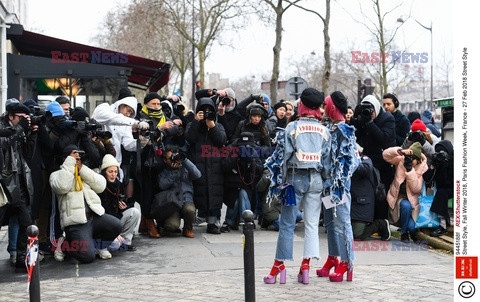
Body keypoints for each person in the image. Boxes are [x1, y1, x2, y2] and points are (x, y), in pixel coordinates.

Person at [264, 88, 331, 285]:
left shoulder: (292, 128)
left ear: (301, 105)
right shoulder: (325, 130)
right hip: (317, 180)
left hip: (294, 179)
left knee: (287, 224)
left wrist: (282, 182)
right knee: (311, 225)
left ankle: (278, 266)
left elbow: (284, 158)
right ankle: (305, 267)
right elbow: (327, 162)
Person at [49, 145, 122, 263]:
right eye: (73, 158)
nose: (76, 161)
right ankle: (64, 245)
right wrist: (69, 164)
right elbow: (62, 187)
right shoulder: (56, 175)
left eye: (78, 158)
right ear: (65, 159)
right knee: (87, 257)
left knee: (116, 225)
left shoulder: (84, 171)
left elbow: (101, 185)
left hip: (94, 217)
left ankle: (99, 246)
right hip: (76, 223)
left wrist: (82, 168)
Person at [317, 91, 360, 282]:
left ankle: (347, 261)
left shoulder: (345, 131)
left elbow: (353, 161)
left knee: (342, 223)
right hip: (328, 187)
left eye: (326, 105)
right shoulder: (329, 129)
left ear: (332, 107)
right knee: (330, 223)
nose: (324, 108)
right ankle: (334, 257)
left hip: (339, 188)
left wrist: (339, 180)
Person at [0, 101, 37, 269]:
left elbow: (28, 154)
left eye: (26, 118)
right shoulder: (2, 127)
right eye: (21, 118)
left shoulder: (20, 129)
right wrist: (21, 128)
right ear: (11, 116)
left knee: (26, 221)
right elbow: (5, 142)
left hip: (19, 184)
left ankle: (22, 256)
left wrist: (31, 135)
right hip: (4, 185)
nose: (24, 121)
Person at [185, 97, 227, 234]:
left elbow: (221, 141)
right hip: (198, 166)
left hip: (215, 168)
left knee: (214, 194)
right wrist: (196, 122)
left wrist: (212, 126)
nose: (207, 113)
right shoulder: (193, 124)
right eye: (204, 111)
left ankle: (212, 223)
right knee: (198, 193)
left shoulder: (218, 126)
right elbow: (189, 139)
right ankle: (190, 222)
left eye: (210, 111)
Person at [352, 95, 396, 220]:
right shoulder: (363, 117)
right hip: (368, 160)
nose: (369, 113)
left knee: (380, 193)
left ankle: (381, 222)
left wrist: (370, 123)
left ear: (376, 108)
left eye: (370, 109)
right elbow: (356, 137)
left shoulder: (388, 118)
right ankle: (369, 221)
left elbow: (384, 139)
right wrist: (356, 119)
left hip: (383, 162)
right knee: (368, 192)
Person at [382, 142, 428, 242]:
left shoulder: (423, 168)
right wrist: (401, 151)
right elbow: (385, 155)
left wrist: (410, 170)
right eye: (409, 158)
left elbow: (416, 188)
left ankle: (409, 231)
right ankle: (403, 233)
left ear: (418, 159)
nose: (410, 161)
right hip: (398, 197)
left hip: (414, 202)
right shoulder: (401, 161)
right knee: (405, 205)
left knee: (412, 228)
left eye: (413, 159)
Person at [220, 132, 264, 232]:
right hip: (232, 185)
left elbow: (260, 168)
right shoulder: (231, 149)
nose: (245, 148)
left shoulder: (254, 151)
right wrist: (235, 156)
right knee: (235, 200)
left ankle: (246, 221)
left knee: (243, 194)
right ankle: (232, 221)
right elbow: (224, 166)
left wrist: (251, 161)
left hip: (247, 185)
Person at [157, 145, 201, 238]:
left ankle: (188, 228)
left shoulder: (185, 167)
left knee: (190, 210)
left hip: (186, 198)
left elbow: (197, 175)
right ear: (165, 160)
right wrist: (173, 172)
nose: (174, 160)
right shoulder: (164, 171)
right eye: (171, 158)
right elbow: (162, 185)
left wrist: (184, 160)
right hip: (172, 202)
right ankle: (168, 226)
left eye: (175, 157)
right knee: (171, 226)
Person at [98, 154, 140, 251]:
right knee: (114, 246)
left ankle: (125, 242)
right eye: (110, 172)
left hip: (116, 218)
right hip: (104, 223)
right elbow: (103, 212)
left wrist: (124, 206)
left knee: (134, 212)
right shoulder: (100, 186)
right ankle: (109, 242)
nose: (113, 175)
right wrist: (115, 233)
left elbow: (121, 201)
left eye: (115, 172)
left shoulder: (118, 184)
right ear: (104, 172)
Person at [423, 140, 454, 237]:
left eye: (442, 152)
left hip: (453, 187)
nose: (440, 154)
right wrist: (433, 166)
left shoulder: (454, 161)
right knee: (441, 192)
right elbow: (426, 179)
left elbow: (448, 182)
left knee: (441, 193)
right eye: (438, 152)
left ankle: (443, 225)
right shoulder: (437, 162)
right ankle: (440, 222)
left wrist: (446, 165)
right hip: (441, 189)